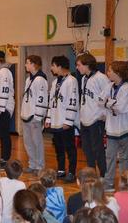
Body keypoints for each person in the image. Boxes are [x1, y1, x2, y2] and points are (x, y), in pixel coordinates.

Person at [45, 55, 79, 183]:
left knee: (70, 147)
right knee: (58, 146)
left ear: (59, 66)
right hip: (55, 119)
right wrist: (48, 118)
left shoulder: (71, 81)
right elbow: (51, 101)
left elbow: (73, 101)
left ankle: (71, 171)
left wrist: (69, 121)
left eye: (53, 65)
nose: (51, 68)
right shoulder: (55, 82)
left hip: (65, 121)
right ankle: (60, 169)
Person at [76, 53, 110, 178]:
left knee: (98, 149)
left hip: (96, 119)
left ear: (87, 64)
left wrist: (104, 115)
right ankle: (91, 173)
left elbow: (108, 97)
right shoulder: (84, 78)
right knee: (86, 149)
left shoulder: (101, 78)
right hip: (85, 119)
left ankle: (103, 175)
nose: (77, 68)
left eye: (79, 65)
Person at [100, 61, 128, 192]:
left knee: (124, 158)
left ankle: (124, 183)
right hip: (111, 129)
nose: (108, 73)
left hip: (124, 128)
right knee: (109, 157)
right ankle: (108, 183)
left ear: (118, 73)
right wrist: (111, 103)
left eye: (110, 70)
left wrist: (108, 103)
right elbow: (99, 101)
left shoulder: (126, 88)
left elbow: (121, 108)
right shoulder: (109, 86)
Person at [21, 55, 48, 174]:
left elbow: (42, 99)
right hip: (26, 115)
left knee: (37, 142)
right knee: (28, 142)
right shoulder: (29, 79)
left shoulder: (40, 79)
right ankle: (32, 164)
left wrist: (38, 116)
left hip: (35, 116)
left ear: (34, 64)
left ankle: (40, 166)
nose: (25, 65)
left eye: (27, 63)